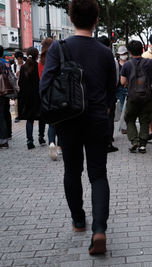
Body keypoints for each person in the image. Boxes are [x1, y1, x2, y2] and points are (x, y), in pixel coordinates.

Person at [39, 0, 116, 255]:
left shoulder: (59, 49)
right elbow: (111, 92)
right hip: (96, 120)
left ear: (71, 19)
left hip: (68, 121)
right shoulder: (105, 53)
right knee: (98, 175)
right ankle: (99, 230)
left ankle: (79, 220)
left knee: (72, 171)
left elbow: (45, 86)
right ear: (96, 20)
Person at [120, 40, 152, 154]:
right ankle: (143, 146)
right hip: (147, 97)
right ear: (142, 50)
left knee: (129, 119)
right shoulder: (149, 62)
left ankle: (134, 141)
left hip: (132, 97)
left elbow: (122, 82)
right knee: (145, 120)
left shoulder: (127, 65)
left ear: (129, 52)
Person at [18, 47, 46, 150]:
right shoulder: (38, 66)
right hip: (38, 96)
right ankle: (41, 137)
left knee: (29, 119)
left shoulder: (23, 67)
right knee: (41, 117)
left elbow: (20, 83)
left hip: (27, 97)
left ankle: (29, 141)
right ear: (36, 55)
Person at [39, 37, 61, 160]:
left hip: (47, 95)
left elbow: (40, 79)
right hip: (58, 93)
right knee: (61, 121)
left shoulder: (41, 61)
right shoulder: (56, 58)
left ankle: (51, 143)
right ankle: (60, 147)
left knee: (51, 123)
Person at [97, 35, 118, 153]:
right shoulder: (111, 59)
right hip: (108, 94)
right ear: (109, 46)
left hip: (96, 94)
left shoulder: (93, 58)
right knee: (109, 117)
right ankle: (108, 141)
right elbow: (115, 80)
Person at [0, 45, 11, 148]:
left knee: (1, 115)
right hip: (6, 90)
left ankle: (3, 139)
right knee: (5, 112)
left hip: (0, 91)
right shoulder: (6, 63)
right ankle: (8, 134)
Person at [11, 50, 24, 123]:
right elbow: (12, 77)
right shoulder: (14, 66)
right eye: (18, 59)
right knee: (16, 102)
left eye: (20, 59)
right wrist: (16, 74)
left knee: (25, 100)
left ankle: (23, 114)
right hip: (16, 86)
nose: (19, 60)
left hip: (25, 86)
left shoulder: (26, 64)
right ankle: (17, 116)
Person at [116, 46, 129, 110]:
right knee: (121, 107)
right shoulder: (116, 64)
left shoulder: (130, 64)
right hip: (119, 89)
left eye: (125, 53)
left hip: (129, 88)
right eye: (122, 54)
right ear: (118, 55)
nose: (123, 55)